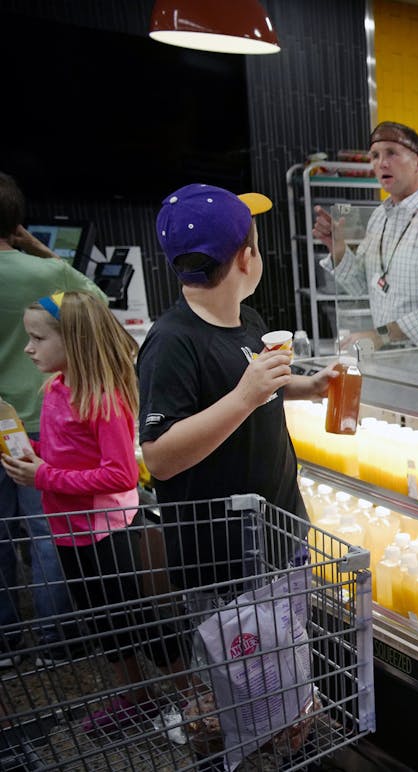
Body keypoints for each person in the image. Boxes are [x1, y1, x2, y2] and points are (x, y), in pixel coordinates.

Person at [3, 291, 191, 735]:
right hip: (69, 532)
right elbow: (63, 455)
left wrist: (44, 475)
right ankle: (136, 696)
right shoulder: (56, 390)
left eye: (37, 338)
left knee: (147, 622)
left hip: (110, 533)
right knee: (104, 626)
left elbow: (121, 476)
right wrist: (28, 453)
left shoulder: (104, 401)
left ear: (75, 340)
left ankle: (192, 697)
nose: (28, 348)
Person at [138, 184, 337, 591]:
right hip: (223, 560)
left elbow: (259, 389)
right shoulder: (172, 341)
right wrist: (243, 397)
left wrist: (310, 386)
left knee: (287, 649)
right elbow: (159, 456)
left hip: (280, 533)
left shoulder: (248, 321)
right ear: (247, 259)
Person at [0, 170, 93, 666]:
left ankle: (6, 642)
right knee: (49, 536)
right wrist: (34, 246)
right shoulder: (46, 277)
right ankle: (58, 643)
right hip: (40, 423)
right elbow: (91, 299)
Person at [313, 121, 418, 351]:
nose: (382, 163)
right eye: (375, 155)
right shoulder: (380, 216)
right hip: (394, 351)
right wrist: (338, 249)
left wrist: (380, 335)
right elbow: (363, 287)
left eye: (392, 153)